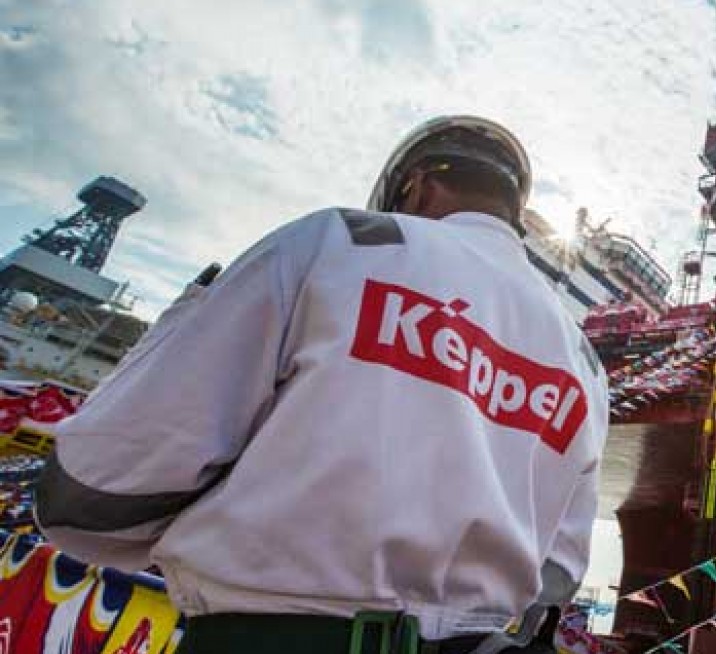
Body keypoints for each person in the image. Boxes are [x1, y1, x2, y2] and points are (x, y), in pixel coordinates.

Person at [35, 115, 609, 654]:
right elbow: (558, 571)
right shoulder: (583, 360)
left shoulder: (342, 242)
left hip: (272, 637)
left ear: (416, 189)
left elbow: (104, 479)